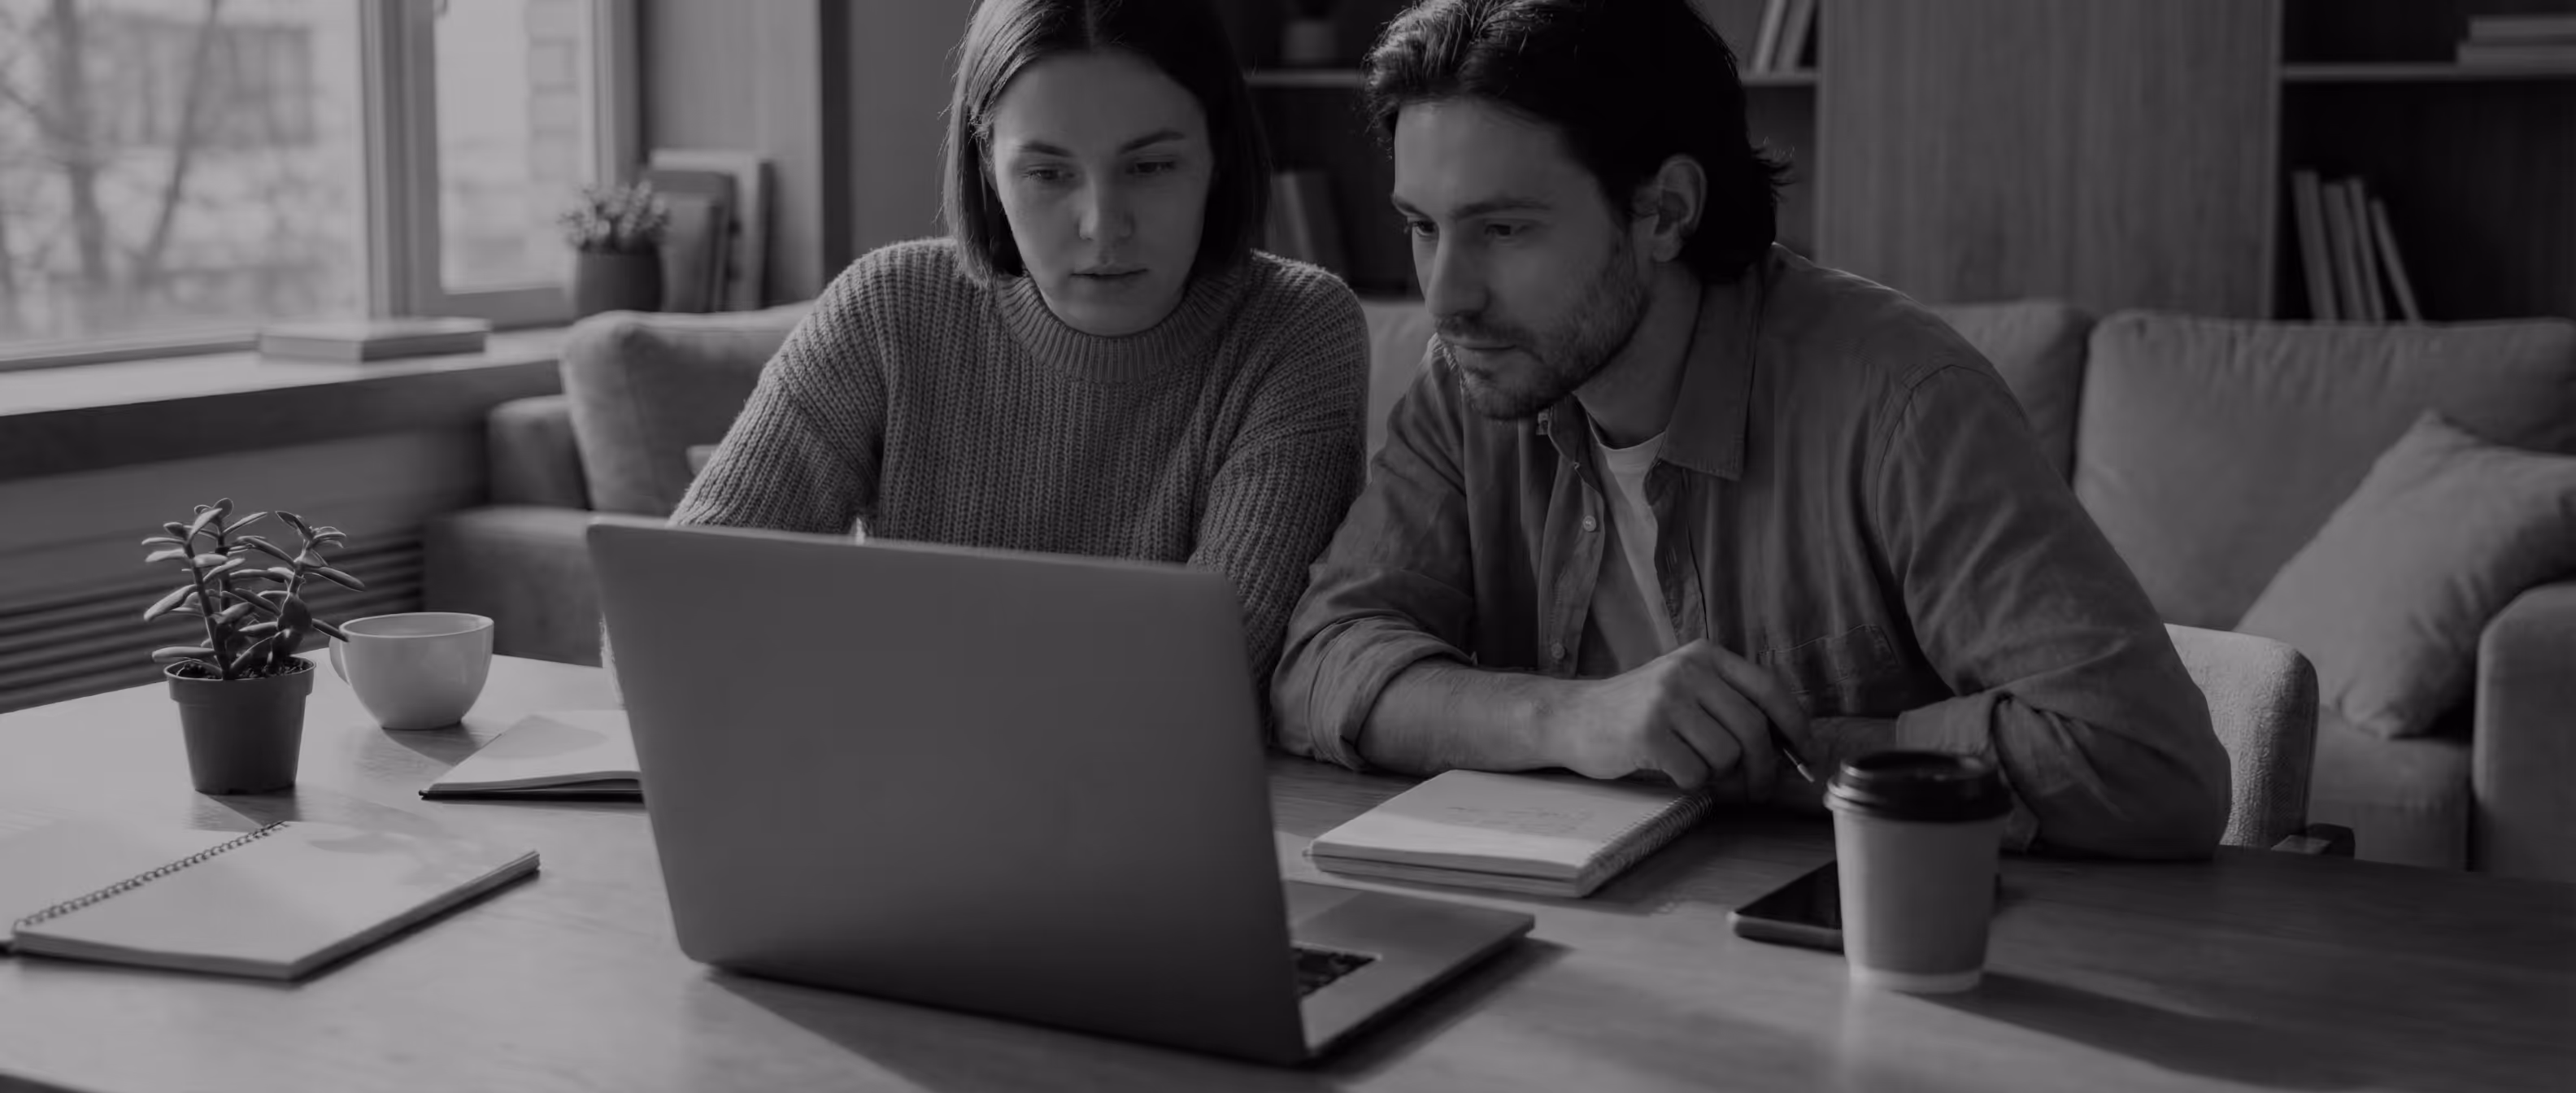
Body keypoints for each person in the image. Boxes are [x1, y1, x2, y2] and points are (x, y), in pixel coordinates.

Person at [1271, 0, 2230, 858]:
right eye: (1423, 226)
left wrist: (1788, 753)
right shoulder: (1472, 384)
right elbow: (1323, 659)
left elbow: (2148, 763)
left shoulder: (1902, 400)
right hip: (1594, 950)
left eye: (1505, 230)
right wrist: (1573, 721)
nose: (1446, 297)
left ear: (1667, 210)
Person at [661, 0, 1369, 697]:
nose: (1103, 225)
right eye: (1048, 173)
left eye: (1151, 167)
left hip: (1146, 799)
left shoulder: (1296, 329)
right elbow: (673, 616)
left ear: (1217, 157)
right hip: (893, 777)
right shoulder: (889, 308)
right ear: (988, 170)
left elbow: (1210, 668)